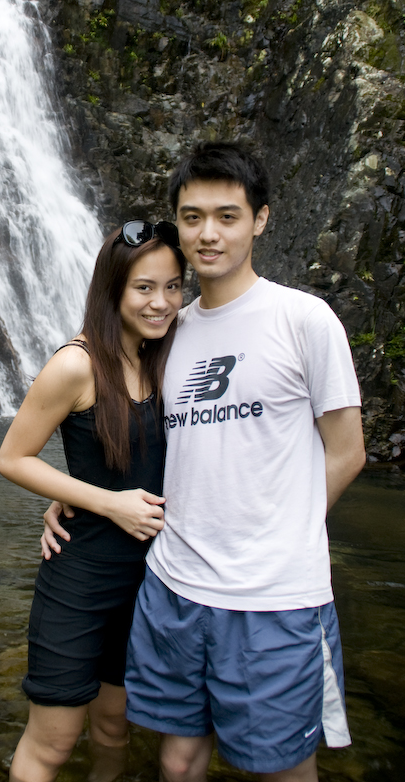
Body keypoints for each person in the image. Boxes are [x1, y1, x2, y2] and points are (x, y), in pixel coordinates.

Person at [45, 141, 366, 782]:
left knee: (282, 768)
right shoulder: (167, 333)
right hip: (174, 587)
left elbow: (348, 451)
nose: (208, 234)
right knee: (178, 759)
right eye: (192, 217)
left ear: (260, 220)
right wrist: (78, 492)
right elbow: (145, 436)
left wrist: (279, 531)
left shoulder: (304, 320)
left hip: (274, 597)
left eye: (227, 216)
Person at [0, 221, 186, 782]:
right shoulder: (76, 365)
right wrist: (105, 502)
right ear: (113, 289)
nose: (160, 302)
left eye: (173, 287)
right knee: (54, 742)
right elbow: (13, 457)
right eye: (144, 287)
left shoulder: (164, 356)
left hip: (150, 580)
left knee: (113, 726)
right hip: (81, 581)